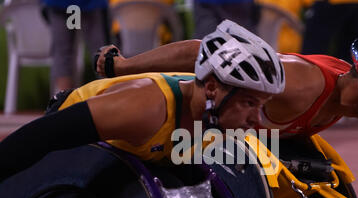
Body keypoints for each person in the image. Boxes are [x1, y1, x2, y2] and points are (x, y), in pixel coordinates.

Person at [0, 20, 285, 182]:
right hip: (69, 141)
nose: (256, 121)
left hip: (136, 155)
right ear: (211, 89)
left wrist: (122, 65)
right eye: (249, 104)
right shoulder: (144, 108)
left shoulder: (213, 110)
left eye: (260, 106)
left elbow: (195, 50)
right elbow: (39, 137)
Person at [96, 30, 358, 137]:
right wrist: (123, 66)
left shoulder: (348, 96)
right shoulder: (300, 84)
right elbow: (207, 50)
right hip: (179, 112)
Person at [41, 0, 110, 92]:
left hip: (60, 4)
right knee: (101, 53)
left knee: (63, 54)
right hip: (90, 5)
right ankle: (108, 99)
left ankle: (65, 102)